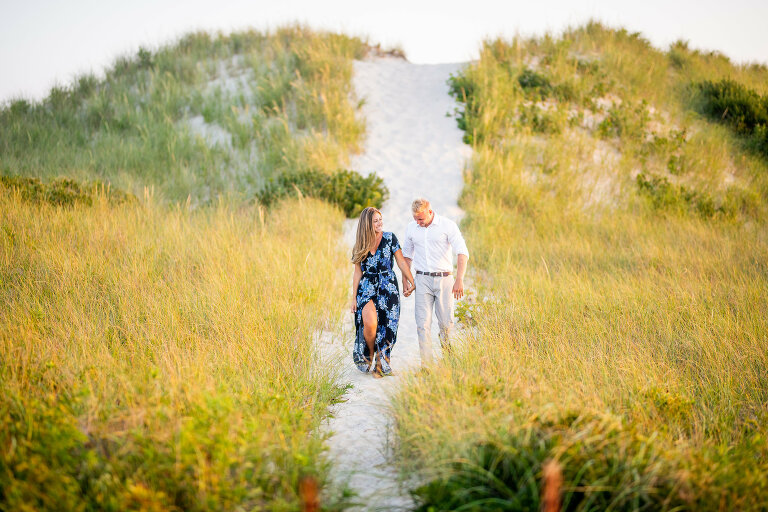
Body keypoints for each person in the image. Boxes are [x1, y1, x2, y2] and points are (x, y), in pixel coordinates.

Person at [402, 198, 469, 365]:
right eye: (415, 218)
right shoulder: (411, 228)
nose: (418, 222)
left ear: (430, 212)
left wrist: (459, 279)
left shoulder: (447, 225)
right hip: (422, 279)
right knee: (422, 324)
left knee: (446, 323)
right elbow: (407, 256)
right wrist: (406, 280)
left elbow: (462, 252)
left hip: (445, 279)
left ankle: (449, 360)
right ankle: (427, 365)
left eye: (421, 219)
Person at [350, 207, 415, 377]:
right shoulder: (360, 244)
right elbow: (357, 272)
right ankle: (370, 354)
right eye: (375, 221)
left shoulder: (390, 238)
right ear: (367, 224)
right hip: (366, 287)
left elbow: (401, 262)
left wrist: (411, 280)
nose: (380, 223)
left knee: (387, 326)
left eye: (380, 219)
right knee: (370, 325)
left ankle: (381, 362)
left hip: (388, 286)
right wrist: (353, 297)